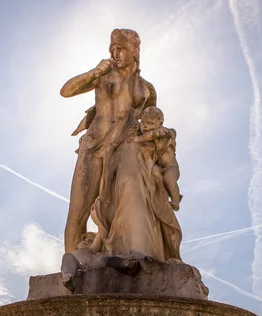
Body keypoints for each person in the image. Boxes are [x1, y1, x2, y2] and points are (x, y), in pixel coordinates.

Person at [60, 29, 156, 254]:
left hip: (123, 150)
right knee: (79, 209)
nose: (115, 53)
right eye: (112, 49)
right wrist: (95, 71)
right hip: (94, 146)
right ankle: (71, 267)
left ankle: (120, 257)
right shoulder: (103, 75)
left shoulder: (146, 89)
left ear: (133, 52)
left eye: (120, 48)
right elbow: (65, 91)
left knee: (122, 209)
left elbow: (152, 122)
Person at [127, 106, 183, 211]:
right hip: (158, 166)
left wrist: (137, 139)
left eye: (150, 123)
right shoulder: (148, 134)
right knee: (155, 173)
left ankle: (175, 200)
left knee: (169, 178)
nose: (145, 126)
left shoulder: (167, 132)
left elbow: (152, 135)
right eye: (143, 123)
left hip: (170, 167)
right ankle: (166, 191)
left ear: (160, 123)